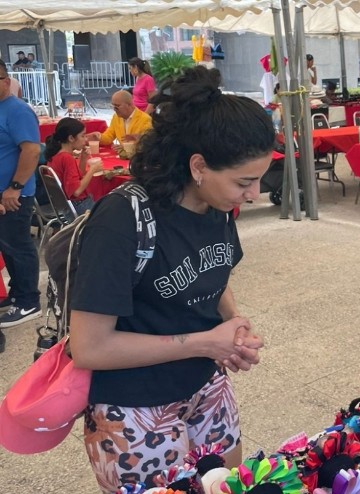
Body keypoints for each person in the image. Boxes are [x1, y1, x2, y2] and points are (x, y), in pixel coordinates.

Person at [69, 66, 272, 492]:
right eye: (244, 182)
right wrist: (206, 343)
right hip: (135, 407)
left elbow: (214, 274)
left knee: (227, 485)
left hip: (206, 386)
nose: (254, 194)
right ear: (198, 166)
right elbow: (90, 347)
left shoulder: (217, 206)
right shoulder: (122, 219)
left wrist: (233, 327)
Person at [0, 60, 41, 329]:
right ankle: (17, 292)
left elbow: (32, 151)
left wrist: (15, 187)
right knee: (7, 245)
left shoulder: (17, 111)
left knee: (18, 245)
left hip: (14, 194)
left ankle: (29, 301)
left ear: (6, 81)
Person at [45, 117, 104, 215]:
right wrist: (92, 170)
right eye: (83, 136)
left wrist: (83, 159)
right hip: (78, 206)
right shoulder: (67, 158)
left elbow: (76, 179)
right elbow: (76, 191)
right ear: (71, 138)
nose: (86, 140)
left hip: (66, 207)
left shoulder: (56, 154)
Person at [87, 90, 153, 150]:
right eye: (113, 106)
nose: (114, 109)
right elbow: (109, 136)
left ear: (129, 104)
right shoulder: (116, 117)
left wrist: (127, 146)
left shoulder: (145, 119)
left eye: (117, 106)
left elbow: (147, 144)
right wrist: (99, 137)